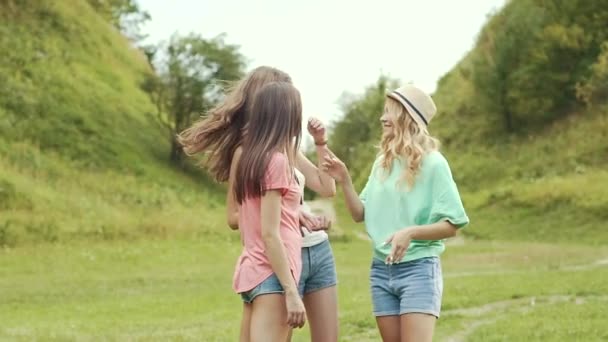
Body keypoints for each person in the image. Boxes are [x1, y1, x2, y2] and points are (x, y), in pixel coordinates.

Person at [178, 66, 339, 341]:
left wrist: (321, 143)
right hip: (278, 258)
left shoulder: (286, 147)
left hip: (313, 250)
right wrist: (281, 215)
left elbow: (326, 187)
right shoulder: (249, 154)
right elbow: (235, 216)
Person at [321, 84, 469, 342]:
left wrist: (411, 232)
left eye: (390, 111)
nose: (383, 118)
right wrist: (344, 180)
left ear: (407, 117)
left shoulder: (434, 164)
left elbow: (452, 224)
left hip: (419, 270)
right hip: (381, 270)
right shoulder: (383, 162)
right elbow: (359, 213)